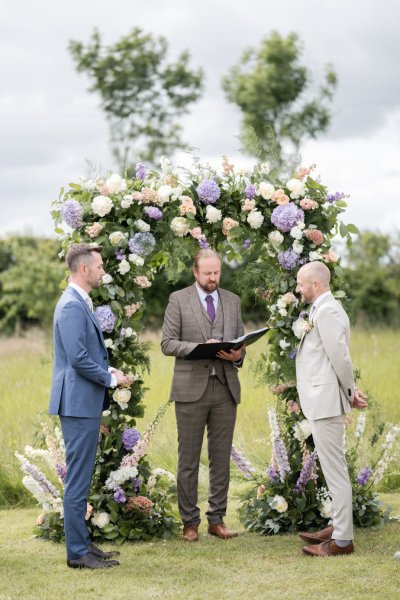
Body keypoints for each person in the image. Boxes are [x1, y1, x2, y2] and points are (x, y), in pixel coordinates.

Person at [49, 243, 131, 569]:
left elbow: (85, 357)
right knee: (78, 480)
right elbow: (79, 359)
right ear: (84, 269)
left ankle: (83, 545)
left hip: (83, 401)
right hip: (78, 403)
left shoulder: (79, 302)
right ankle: (78, 554)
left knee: (81, 477)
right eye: (98, 266)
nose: (102, 271)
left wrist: (110, 371)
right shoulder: (71, 305)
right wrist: (110, 380)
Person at [161, 249, 245, 541]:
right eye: (208, 273)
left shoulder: (233, 301)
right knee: (189, 459)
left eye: (217, 273)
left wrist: (237, 354)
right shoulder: (178, 299)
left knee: (221, 457)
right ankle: (189, 522)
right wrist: (198, 348)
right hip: (189, 390)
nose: (213, 278)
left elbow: (241, 343)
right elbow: (168, 343)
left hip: (225, 387)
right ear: (195, 272)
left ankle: (217, 520)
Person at [295, 261, 368, 557]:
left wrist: (350, 392)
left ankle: (342, 541)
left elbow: (341, 358)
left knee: (335, 471)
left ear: (316, 284)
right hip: (321, 400)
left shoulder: (328, 311)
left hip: (326, 402)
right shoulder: (318, 310)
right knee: (330, 467)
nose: (298, 289)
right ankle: (337, 526)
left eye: (301, 284)